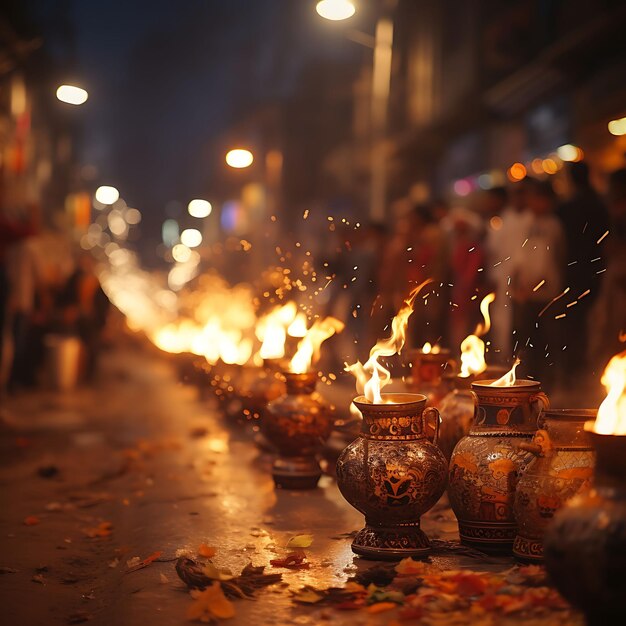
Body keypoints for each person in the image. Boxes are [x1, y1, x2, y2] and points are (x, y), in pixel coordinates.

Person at [511, 179, 566, 388]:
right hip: (525, 293)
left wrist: (539, 283)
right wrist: (518, 283)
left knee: (548, 339)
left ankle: (549, 384)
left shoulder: (553, 225)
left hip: (547, 294)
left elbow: (553, 260)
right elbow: (518, 256)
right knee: (526, 340)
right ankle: (526, 382)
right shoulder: (526, 222)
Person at [557, 161, 610, 378]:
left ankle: (574, 369)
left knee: (573, 321)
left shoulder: (568, 207)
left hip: (573, 270)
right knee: (592, 321)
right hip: (596, 269)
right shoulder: (600, 202)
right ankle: (589, 368)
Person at [484, 183, 532, 358]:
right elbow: (494, 251)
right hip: (503, 276)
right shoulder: (505, 220)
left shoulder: (531, 219)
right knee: (501, 320)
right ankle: (503, 358)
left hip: (527, 279)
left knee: (524, 322)